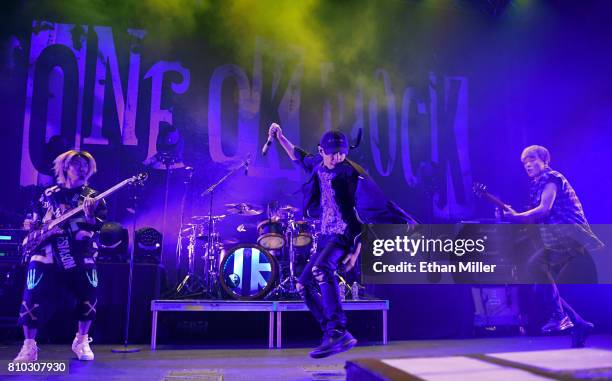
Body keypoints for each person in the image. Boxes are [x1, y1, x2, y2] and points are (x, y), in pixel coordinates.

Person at [268, 123, 415, 358]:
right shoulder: (318, 164)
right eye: (332, 153)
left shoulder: (349, 174)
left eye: (342, 153)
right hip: (327, 236)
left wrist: (356, 250)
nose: (337, 158)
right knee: (302, 285)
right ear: (322, 151)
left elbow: (366, 211)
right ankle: (331, 332)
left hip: (345, 234)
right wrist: (280, 137)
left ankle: (338, 330)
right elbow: (299, 156)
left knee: (320, 269)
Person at [504, 145, 603, 348]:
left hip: (571, 234)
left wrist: (518, 217)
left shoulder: (552, 178)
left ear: (544, 160)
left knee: (534, 268)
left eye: (531, 159)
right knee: (541, 284)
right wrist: (513, 216)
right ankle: (579, 323)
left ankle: (560, 316)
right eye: (524, 162)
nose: (528, 165)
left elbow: (544, 209)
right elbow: (534, 220)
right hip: (558, 238)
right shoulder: (537, 186)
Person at [14, 150, 107, 362]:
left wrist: (90, 215)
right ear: (66, 167)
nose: (82, 169)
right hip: (46, 250)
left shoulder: (94, 198)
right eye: (77, 164)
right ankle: (29, 346)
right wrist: (32, 227)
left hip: (80, 252)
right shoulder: (47, 194)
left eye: (86, 165)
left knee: (89, 288)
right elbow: (32, 220)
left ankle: (81, 340)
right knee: (32, 291)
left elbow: (98, 226)